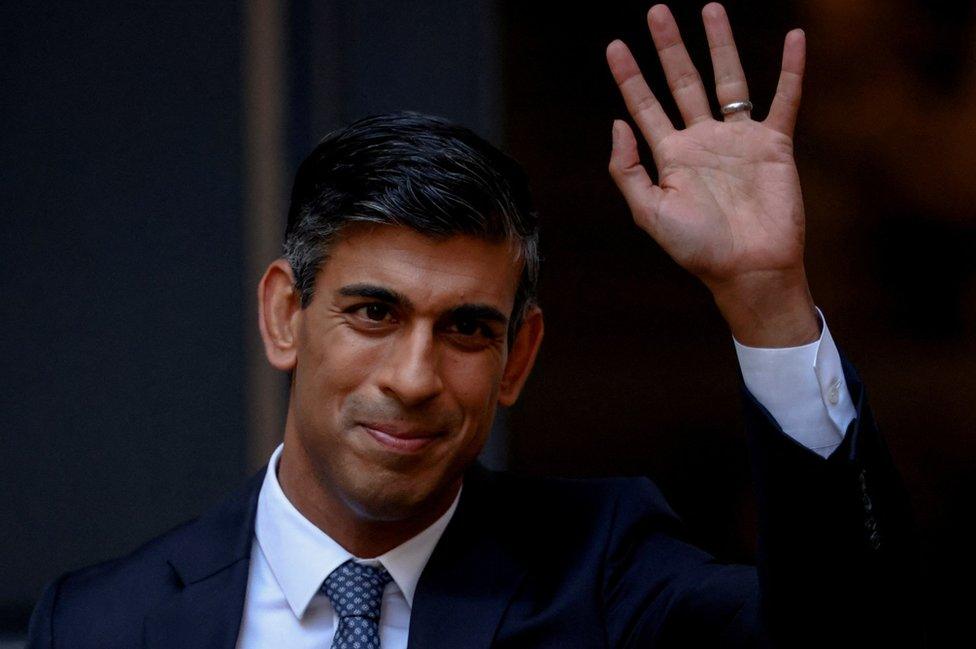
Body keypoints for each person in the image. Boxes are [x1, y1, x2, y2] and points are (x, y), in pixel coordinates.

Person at [26, 3, 921, 648]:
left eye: (464, 329)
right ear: (284, 315)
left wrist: (767, 298)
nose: (414, 377)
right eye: (374, 312)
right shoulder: (105, 620)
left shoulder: (604, 572)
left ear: (517, 355)